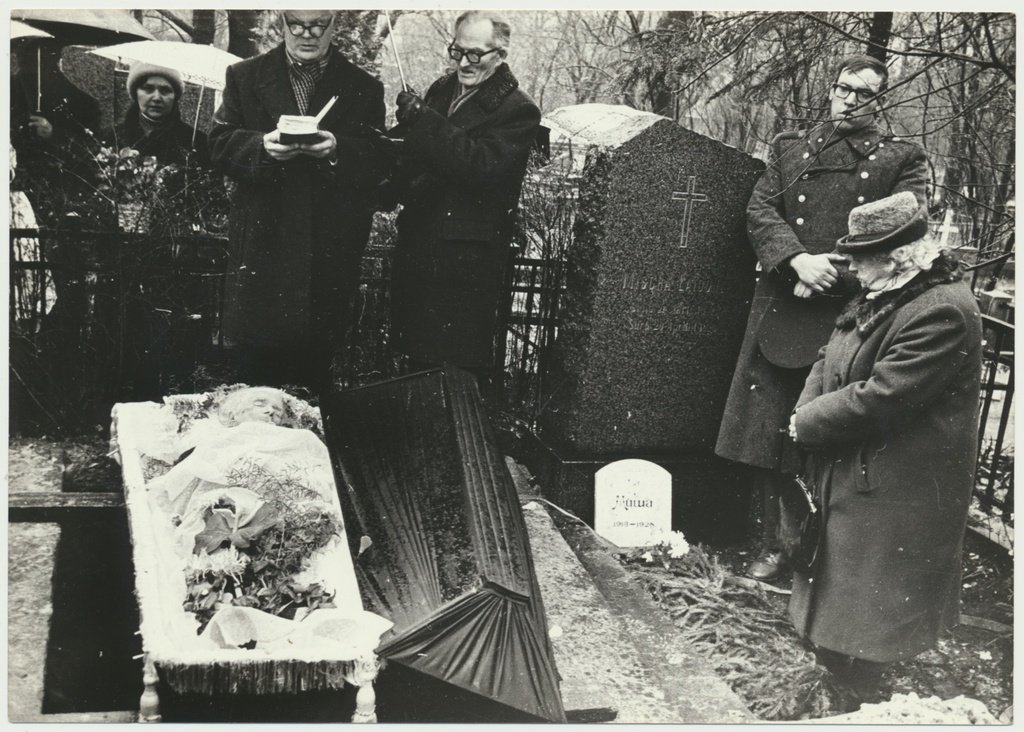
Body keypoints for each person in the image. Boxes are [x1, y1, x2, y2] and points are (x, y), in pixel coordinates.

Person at [715, 54, 929, 581]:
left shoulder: (901, 158)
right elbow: (761, 209)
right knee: (767, 431)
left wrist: (834, 271)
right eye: (842, 89)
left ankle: (816, 554)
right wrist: (796, 260)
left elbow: (906, 229)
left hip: (849, 308)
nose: (849, 100)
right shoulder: (793, 147)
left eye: (864, 93)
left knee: (821, 429)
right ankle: (774, 546)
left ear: (881, 100)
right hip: (784, 298)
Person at [787, 191, 982, 706]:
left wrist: (809, 424)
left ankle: (861, 697)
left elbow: (883, 397)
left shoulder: (941, 311)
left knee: (872, 602)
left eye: (860, 256)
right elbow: (830, 354)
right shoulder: (886, 290)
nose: (849, 265)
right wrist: (804, 413)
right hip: (860, 464)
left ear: (897, 256)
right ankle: (835, 676)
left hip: (899, 482)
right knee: (846, 584)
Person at [209, 9, 389, 398]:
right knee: (254, 386)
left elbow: (380, 158)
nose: (306, 35)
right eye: (297, 25)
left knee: (311, 386)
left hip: (326, 257)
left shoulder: (363, 87)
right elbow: (219, 143)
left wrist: (338, 149)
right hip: (262, 252)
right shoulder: (245, 76)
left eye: (317, 25)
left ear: (334, 25)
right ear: (282, 23)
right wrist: (261, 147)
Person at [387, 10, 541, 385]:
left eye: (476, 54)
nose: (464, 63)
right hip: (421, 245)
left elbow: (481, 168)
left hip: (465, 261)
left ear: (500, 54)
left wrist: (424, 121)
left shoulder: (518, 109)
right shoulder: (442, 89)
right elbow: (419, 152)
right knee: (414, 362)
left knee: (452, 369)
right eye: (458, 51)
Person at [101, 62, 210, 167]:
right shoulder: (111, 137)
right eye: (148, 89)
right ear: (135, 93)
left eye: (165, 90)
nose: (157, 98)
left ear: (175, 96)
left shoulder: (197, 142)